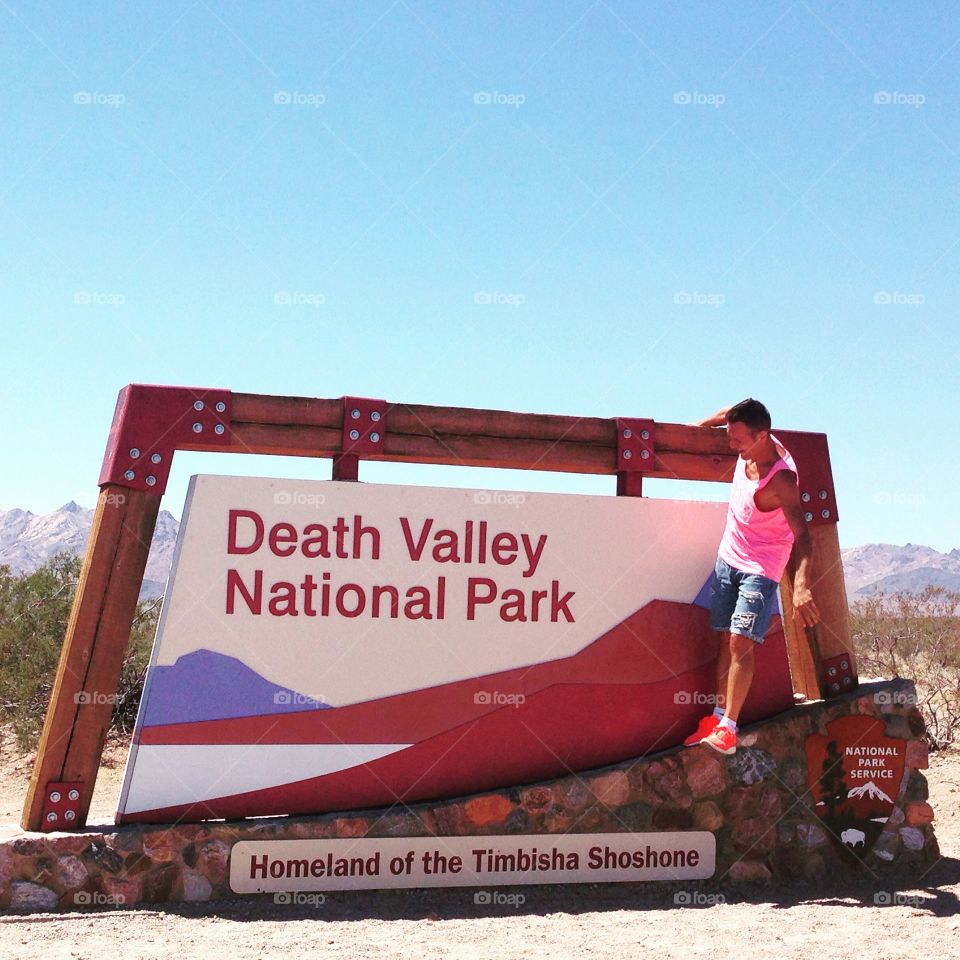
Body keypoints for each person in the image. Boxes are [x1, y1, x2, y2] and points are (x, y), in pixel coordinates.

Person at [683, 398, 820, 755]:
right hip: (728, 559)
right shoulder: (745, 441)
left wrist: (801, 586)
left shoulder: (782, 480)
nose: (731, 445)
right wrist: (699, 426)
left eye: (738, 440)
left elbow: (803, 535)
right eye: (730, 436)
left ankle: (729, 728)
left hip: (760, 569)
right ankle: (715, 717)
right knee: (724, 639)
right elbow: (729, 411)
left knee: (740, 643)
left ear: (762, 436)